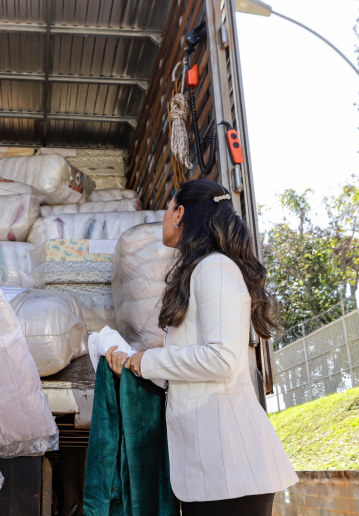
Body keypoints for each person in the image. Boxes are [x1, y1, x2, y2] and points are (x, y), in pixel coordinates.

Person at [105, 179, 298, 516]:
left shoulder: (215, 268)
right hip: (212, 472)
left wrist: (148, 361)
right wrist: (135, 365)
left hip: (233, 471)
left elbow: (221, 359)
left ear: (180, 213)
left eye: (168, 208)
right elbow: (192, 371)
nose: (165, 217)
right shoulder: (201, 270)